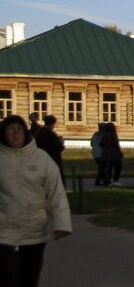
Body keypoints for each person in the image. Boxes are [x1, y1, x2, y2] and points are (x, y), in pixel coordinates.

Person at [0, 115, 72, 287]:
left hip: (34, 231)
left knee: (29, 277)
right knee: (6, 277)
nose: (15, 133)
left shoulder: (41, 159)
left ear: (26, 133)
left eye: (19, 129)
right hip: (3, 231)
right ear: (3, 134)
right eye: (10, 130)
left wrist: (62, 223)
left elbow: (56, 193)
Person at [34, 115, 65, 183]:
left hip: (41, 158)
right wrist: (61, 142)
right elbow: (58, 147)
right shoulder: (51, 133)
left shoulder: (39, 132)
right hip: (53, 158)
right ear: (53, 123)